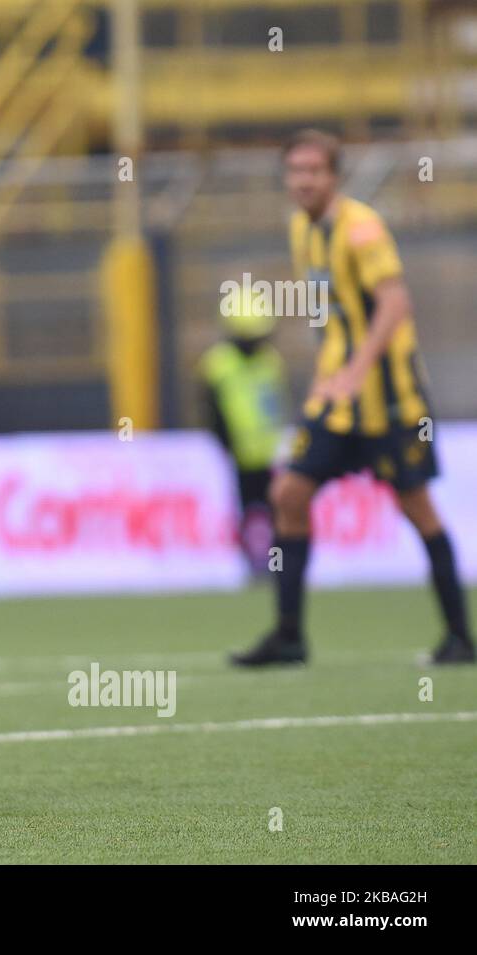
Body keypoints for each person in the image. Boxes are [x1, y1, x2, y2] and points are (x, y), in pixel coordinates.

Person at [232, 129, 472, 666]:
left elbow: (394, 303)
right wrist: (328, 373)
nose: (304, 180)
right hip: (337, 404)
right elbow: (332, 315)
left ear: (333, 176)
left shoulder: (361, 230)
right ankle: (289, 635)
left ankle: (460, 637)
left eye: (314, 170)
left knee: (418, 509)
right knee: (289, 496)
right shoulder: (301, 229)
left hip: (391, 402)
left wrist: (359, 367)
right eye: (295, 171)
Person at [199, 288, 285, 577]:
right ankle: (252, 565)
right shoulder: (217, 364)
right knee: (247, 513)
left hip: (268, 452)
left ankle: (274, 564)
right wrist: (224, 443)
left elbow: (275, 404)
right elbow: (211, 410)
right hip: (237, 454)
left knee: (275, 512)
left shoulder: (270, 360)